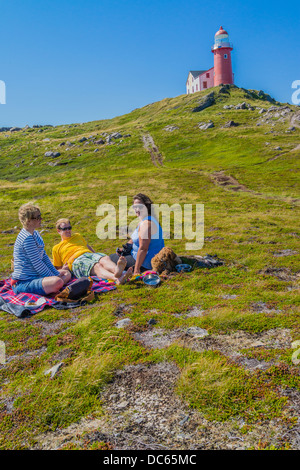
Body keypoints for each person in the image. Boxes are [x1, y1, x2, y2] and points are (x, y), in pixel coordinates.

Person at [11, 204, 71, 296]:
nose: (41, 219)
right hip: (23, 282)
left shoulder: (35, 233)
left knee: (66, 273)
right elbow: (38, 264)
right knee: (57, 281)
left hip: (37, 276)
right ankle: (52, 287)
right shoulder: (27, 238)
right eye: (38, 217)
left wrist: (55, 273)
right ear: (29, 220)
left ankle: (51, 288)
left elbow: (43, 256)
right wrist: (54, 276)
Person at [52, 218, 132, 284]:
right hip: (75, 260)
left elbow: (87, 246)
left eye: (69, 228)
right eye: (65, 229)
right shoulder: (56, 248)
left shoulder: (77, 236)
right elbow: (58, 269)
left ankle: (117, 271)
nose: (68, 230)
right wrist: (64, 268)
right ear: (58, 231)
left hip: (87, 253)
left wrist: (97, 255)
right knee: (96, 266)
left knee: (105, 259)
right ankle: (116, 278)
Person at [110, 193, 165, 275]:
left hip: (146, 263)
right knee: (113, 258)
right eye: (134, 207)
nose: (137, 209)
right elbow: (135, 238)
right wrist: (126, 248)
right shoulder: (148, 219)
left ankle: (118, 275)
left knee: (109, 259)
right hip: (143, 258)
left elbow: (143, 249)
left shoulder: (146, 224)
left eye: (140, 206)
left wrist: (136, 269)